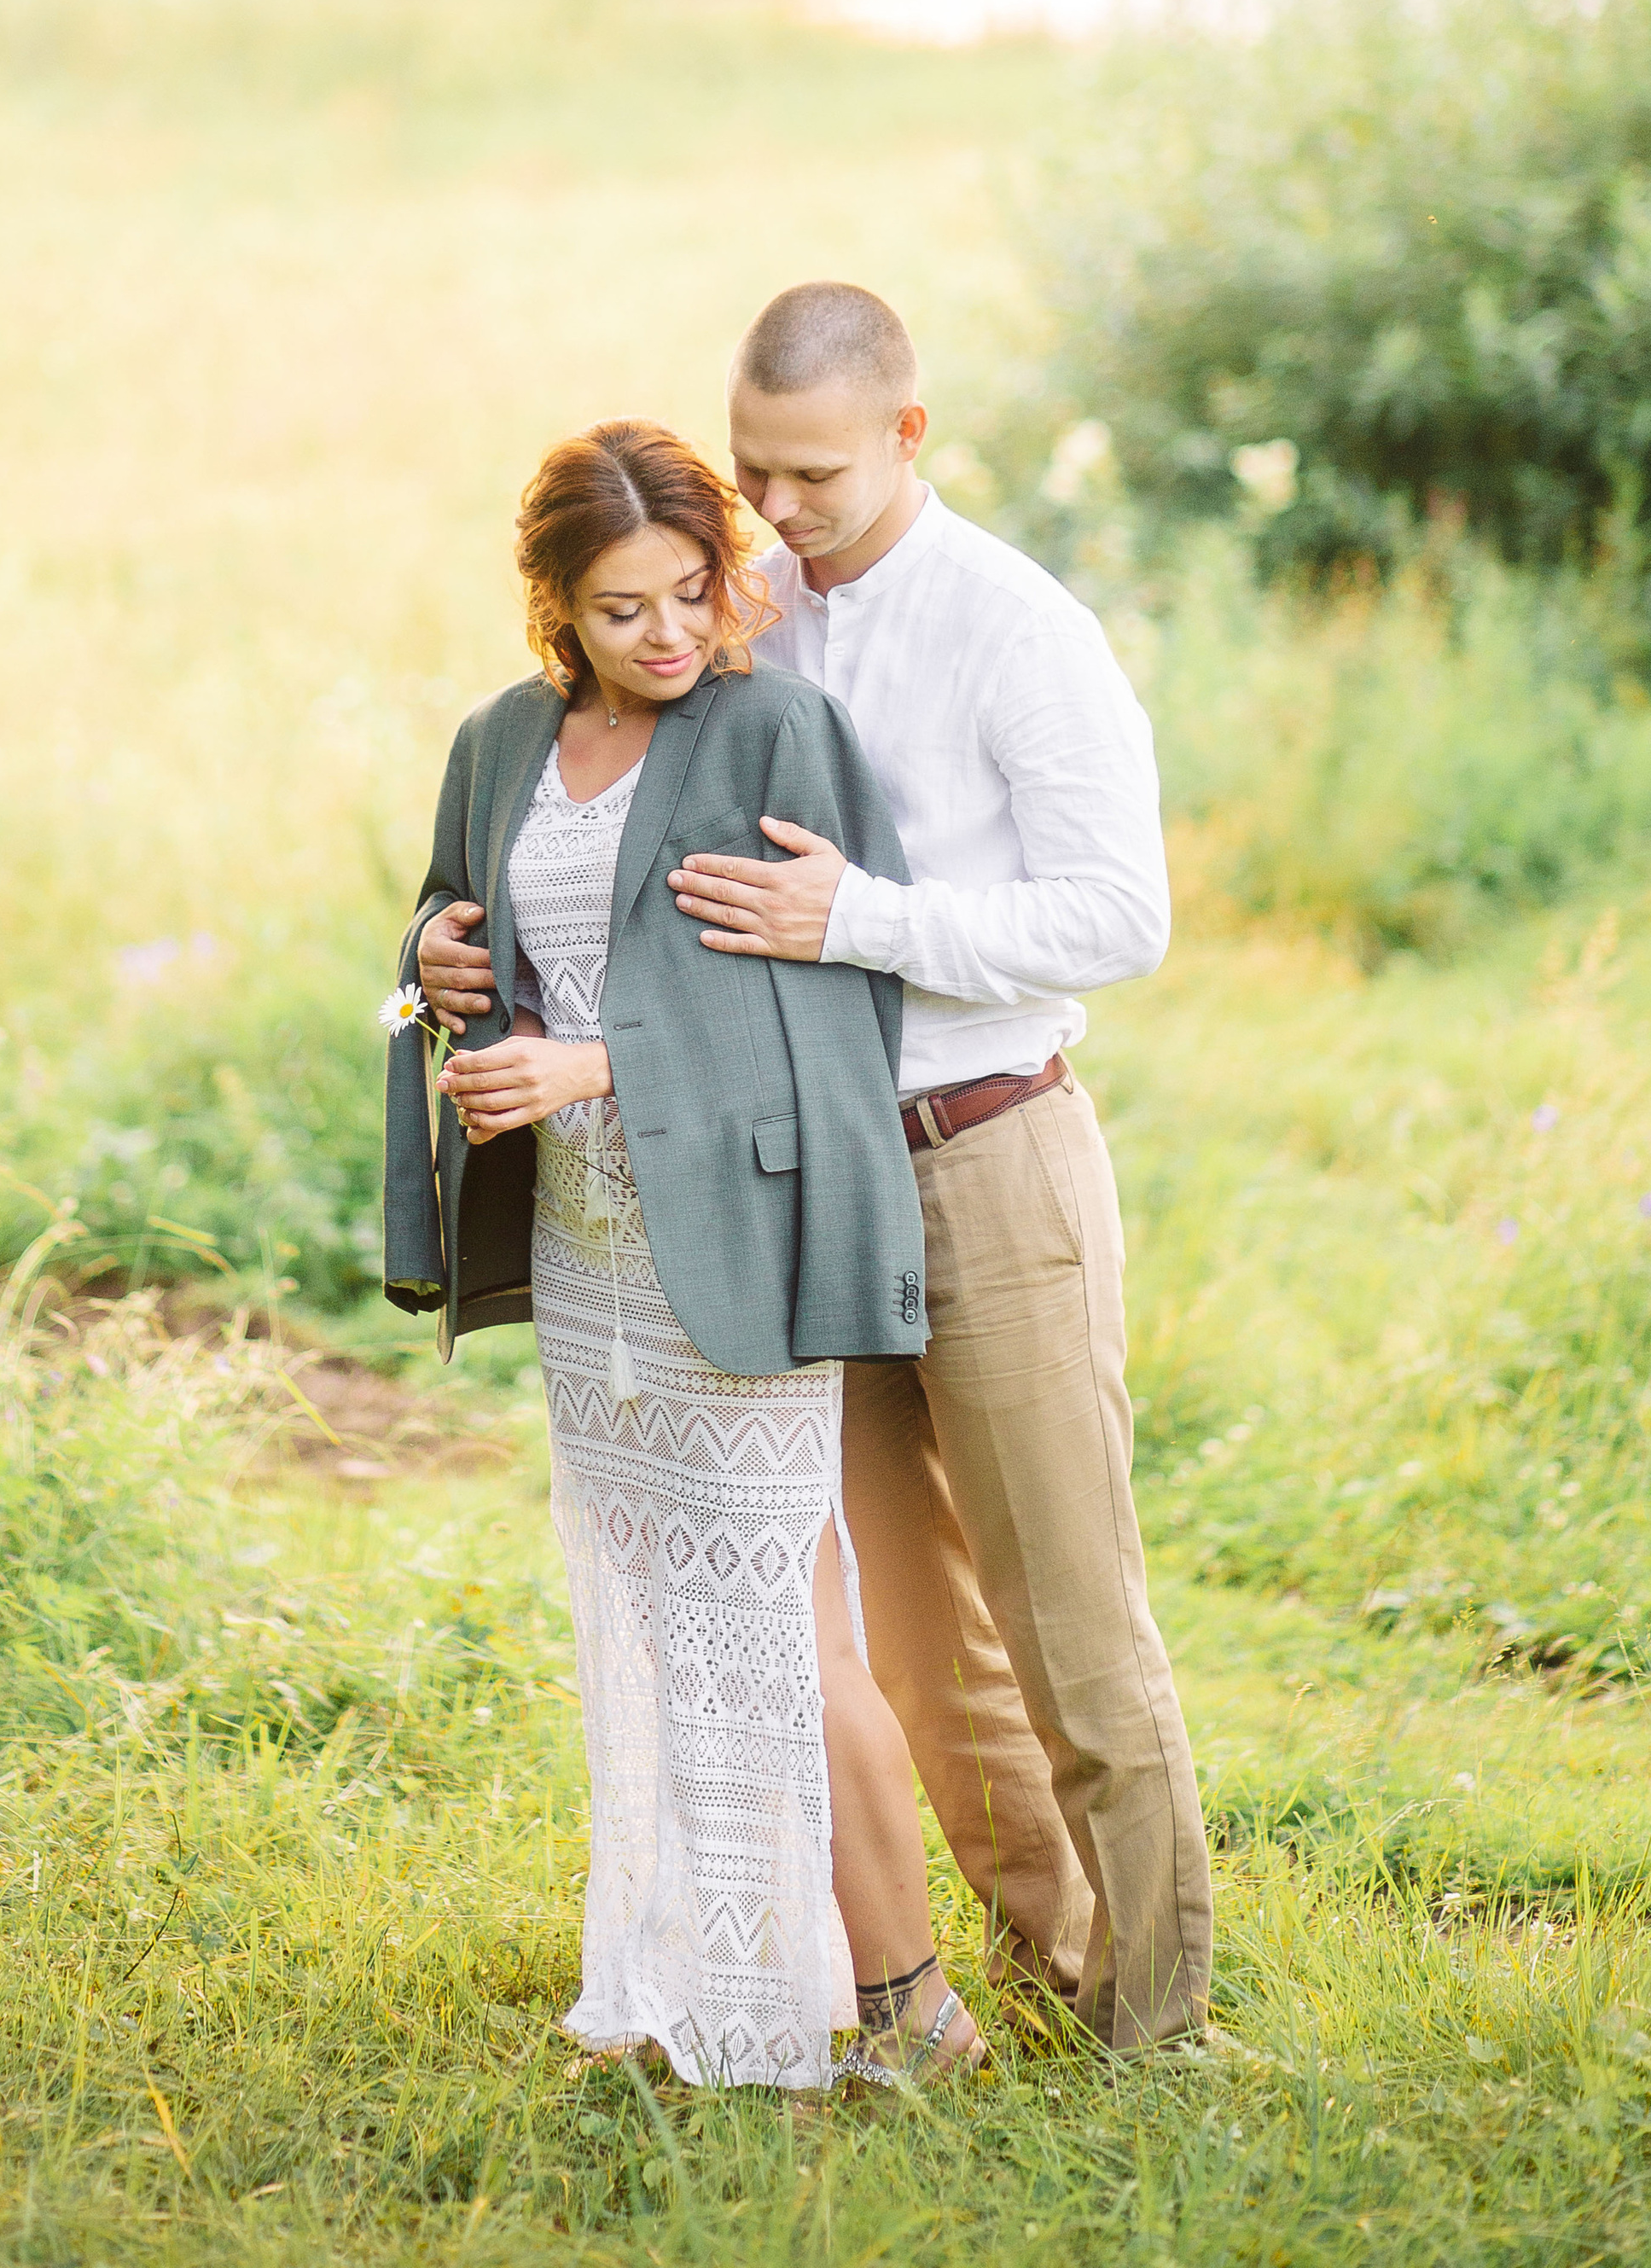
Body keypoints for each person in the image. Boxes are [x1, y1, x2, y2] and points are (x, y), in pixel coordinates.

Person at [419, 294, 1211, 2055]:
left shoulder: (1010, 625)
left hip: (980, 1148)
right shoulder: (731, 619)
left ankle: (1160, 2034)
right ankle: (1047, 1972)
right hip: (791, 1186)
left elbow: (1118, 915)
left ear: (910, 435)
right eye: (752, 467)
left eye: (816, 473)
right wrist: (452, 949)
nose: (774, 508)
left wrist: (855, 919)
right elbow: (606, 861)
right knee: (914, 1643)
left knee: (1067, 1626)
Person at [382, 420, 988, 2093]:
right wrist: (438, 963)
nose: (663, 635)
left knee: (788, 1628)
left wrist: (596, 1067)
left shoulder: (775, 730)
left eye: (689, 592)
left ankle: (909, 2008)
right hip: (581, 1263)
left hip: (731, 1240)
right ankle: (697, 1982)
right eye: (617, 610)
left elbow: (833, 1008)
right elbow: (466, 925)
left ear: (726, 575)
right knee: (655, 1626)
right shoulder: (500, 746)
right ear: (552, 609)